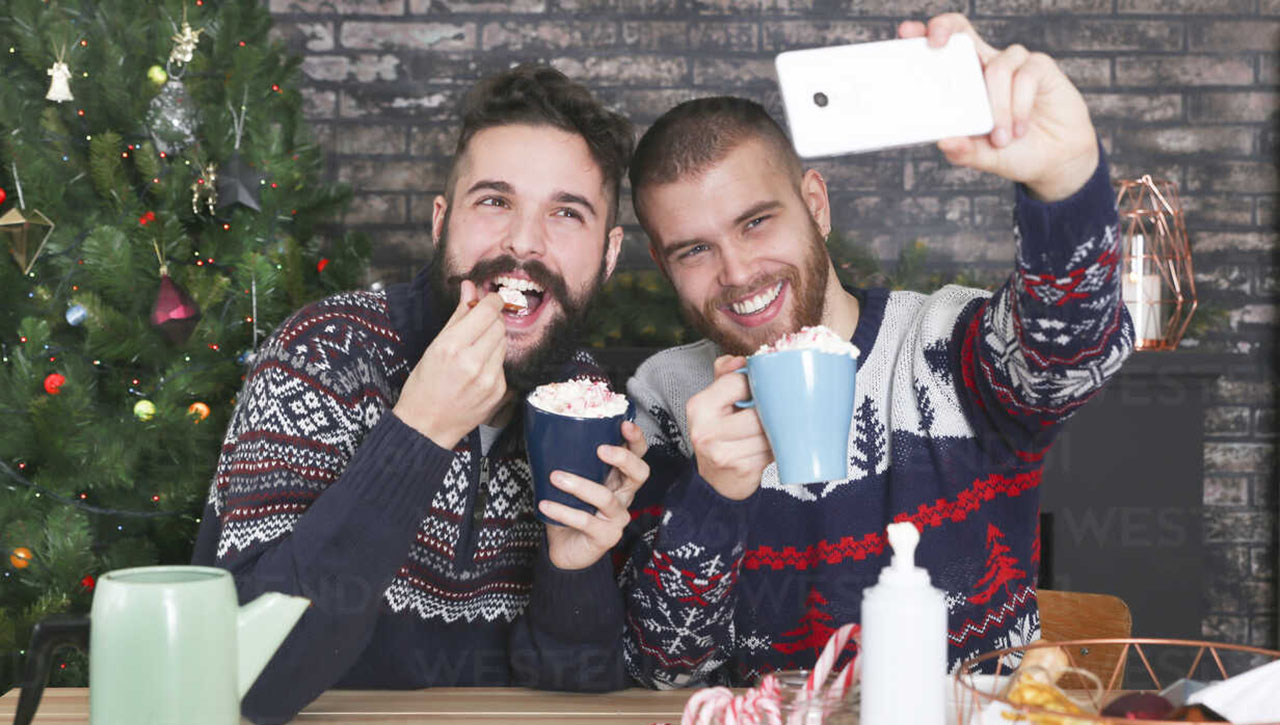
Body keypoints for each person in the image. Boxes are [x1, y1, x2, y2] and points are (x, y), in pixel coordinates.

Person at [619, 14, 1134, 688]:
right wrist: (713, 498)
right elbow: (664, 667)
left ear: (815, 204)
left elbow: (1068, 359)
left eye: (756, 221)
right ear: (662, 263)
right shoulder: (663, 397)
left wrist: (1067, 180)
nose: (738, 271)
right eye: (694, 250)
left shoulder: (945, 345)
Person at [191, 65, 648, 723]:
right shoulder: (322, 354)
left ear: (607, 256)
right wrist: (421, 429)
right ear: (442, 222)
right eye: (494, 200)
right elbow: (244, 679)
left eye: (566, 212)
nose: (524, 240)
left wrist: (572, 567)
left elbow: (572, 690)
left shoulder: (581, 395)